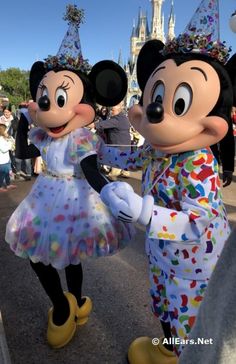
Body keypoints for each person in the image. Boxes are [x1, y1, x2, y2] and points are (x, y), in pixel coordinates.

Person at [5, 3, 133, 350]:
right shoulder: (44, 136)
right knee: (35, 253)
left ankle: (74, 300)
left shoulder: (82, 138)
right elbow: (24, 154)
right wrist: (22, 125)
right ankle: (62, 304)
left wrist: (114, 197)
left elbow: (91, 172)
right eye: (44, 98)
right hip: (45, 197)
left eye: (61, 97)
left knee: (71, 255)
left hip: (75, 199)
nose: (49, 107)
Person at [178, 229, 236, 364]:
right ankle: (169, 345)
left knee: (209, 332)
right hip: (172, 263)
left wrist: (153, 215)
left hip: (193, 271)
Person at [95, 102, 131, 179]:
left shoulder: (117, 120)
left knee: (112, 175)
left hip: (119, 147)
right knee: (124, 161)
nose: (111, 110)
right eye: (110, 109)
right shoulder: (123, 118)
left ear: (120, 108)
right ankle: (125, 171)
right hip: (125, 146)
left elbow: (99, 125)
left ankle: (113, 177)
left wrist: (90, 124)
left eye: (112, 109)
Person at [0, 123, 17, 192]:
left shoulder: (4, 138)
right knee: (2, 174)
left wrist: (9, 138)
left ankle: (8, 184)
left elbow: (13, 141)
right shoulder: (0, 139)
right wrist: (10, 145)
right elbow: (3, 149)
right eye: (6, 130)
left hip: (6, 159)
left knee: (7, 173)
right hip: (2, 160)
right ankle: (0, 187)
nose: (7, 131)